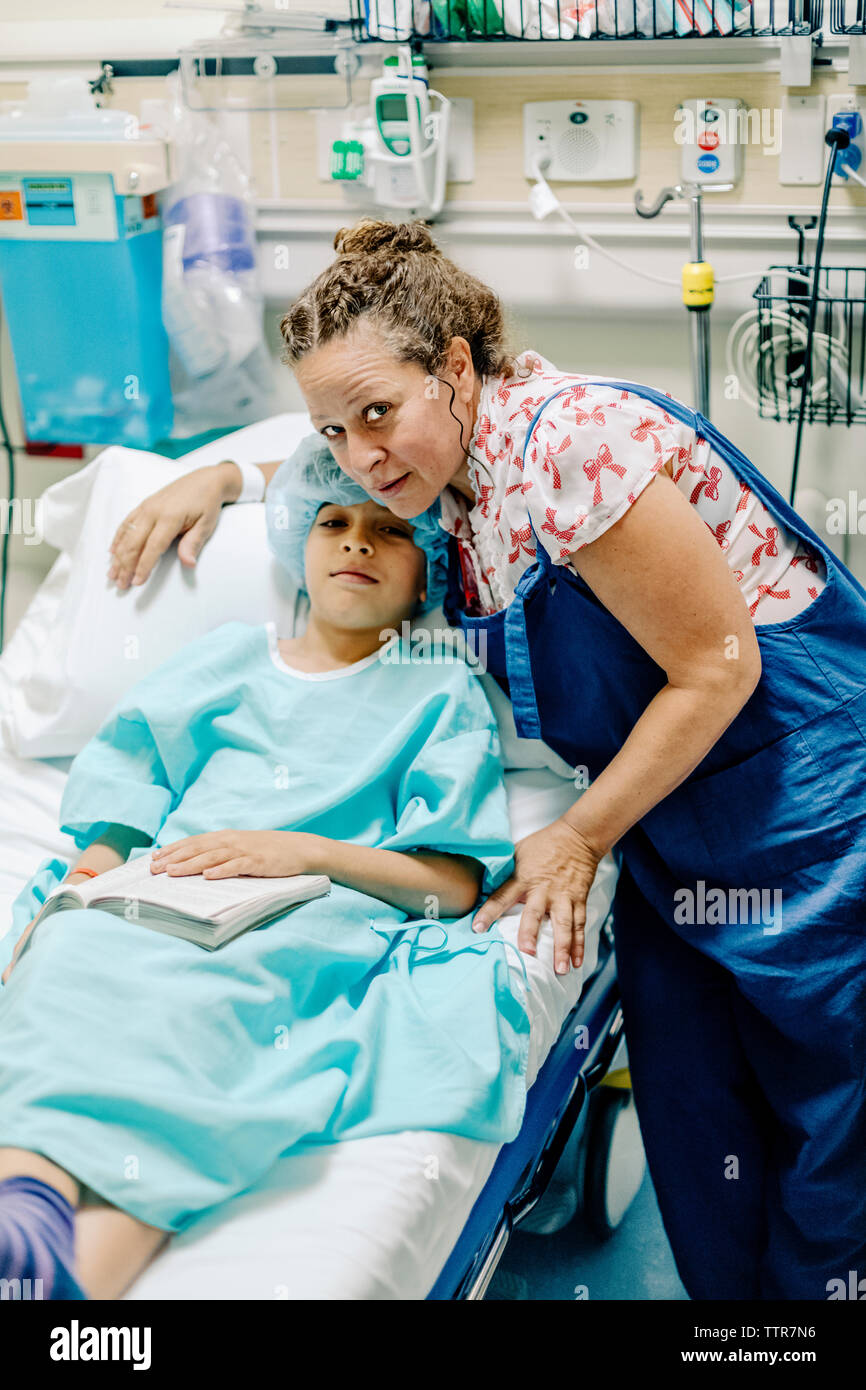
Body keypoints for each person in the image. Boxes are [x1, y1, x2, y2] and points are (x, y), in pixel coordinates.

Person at [106, 216, 866, 1301]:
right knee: (703, 1125)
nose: (360, 454)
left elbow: (714, 667)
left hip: (809, 811)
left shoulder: (569, 444)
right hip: (667, 816)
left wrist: (575, 833)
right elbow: (333, 467)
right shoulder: (442, 480)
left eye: (376, 411)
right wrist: (223, 476)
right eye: (334, 428)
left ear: (456, 368)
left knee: (831, 1134)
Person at [0, 442, 531, 1300]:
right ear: (299, 545)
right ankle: (28, 1220)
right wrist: (73, 892)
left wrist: (303, 853)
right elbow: (128, 797)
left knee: (206, 1020)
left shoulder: (436, 690)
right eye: (334, 522)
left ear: (429, 573)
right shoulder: (225, 661)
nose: (356, 542)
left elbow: (454, 883)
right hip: (156, 889)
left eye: (389, 530)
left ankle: (74, 1285)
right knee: (62, 973)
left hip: (302, 914)